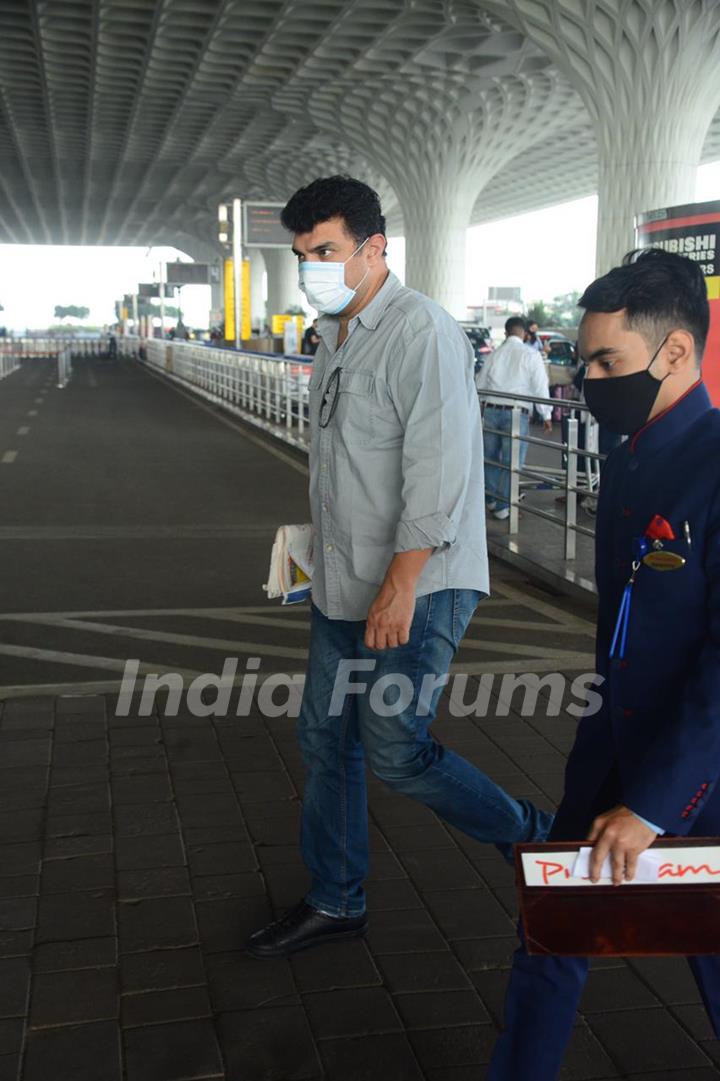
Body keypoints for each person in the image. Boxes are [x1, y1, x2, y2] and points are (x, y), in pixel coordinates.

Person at [245, 175, 552, 960]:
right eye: (303, 253)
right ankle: (337, 897)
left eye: (326, 251)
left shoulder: (423, 332)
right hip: (343, 582)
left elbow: (440, 473)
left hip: (420, 584)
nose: (312, 265)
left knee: (395, 748)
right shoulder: (335, 335)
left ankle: (532, 833)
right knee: (325, 739)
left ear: (375, 249)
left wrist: (401, 583)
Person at [488, 248, 720, 1080]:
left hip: (695, 775)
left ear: (677, 353)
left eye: (605, 361)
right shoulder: (627, 457)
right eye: (582, 359)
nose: (585, 378)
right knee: (551, 930)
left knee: (712, 947)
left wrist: (655, 805)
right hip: (611, 749)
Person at [476, 316, 553, 520]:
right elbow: (539, 386)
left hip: (491, 410)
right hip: (517, 413)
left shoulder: (495, 354)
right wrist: (546, 414)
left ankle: (492, 499)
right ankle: (503, 505)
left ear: (506, 332)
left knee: (490, 458)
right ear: (524, 333)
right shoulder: (531, 354)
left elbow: (480, 383)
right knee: (512, 462)